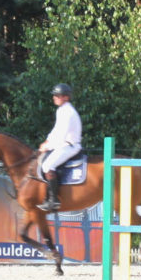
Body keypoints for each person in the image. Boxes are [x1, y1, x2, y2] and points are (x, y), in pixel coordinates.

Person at [36, 82, 82, 212]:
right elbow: (56, 131)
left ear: (66, 97)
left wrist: (48, 146)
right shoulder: (61, 110)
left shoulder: (68, 112)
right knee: (44, 161)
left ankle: (54, 200)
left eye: (57, 95)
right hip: (63, 144)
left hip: (69, 146)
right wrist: (47, 141)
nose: (54, 97)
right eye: (55, 95)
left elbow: (62, 135)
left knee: (47, 166)